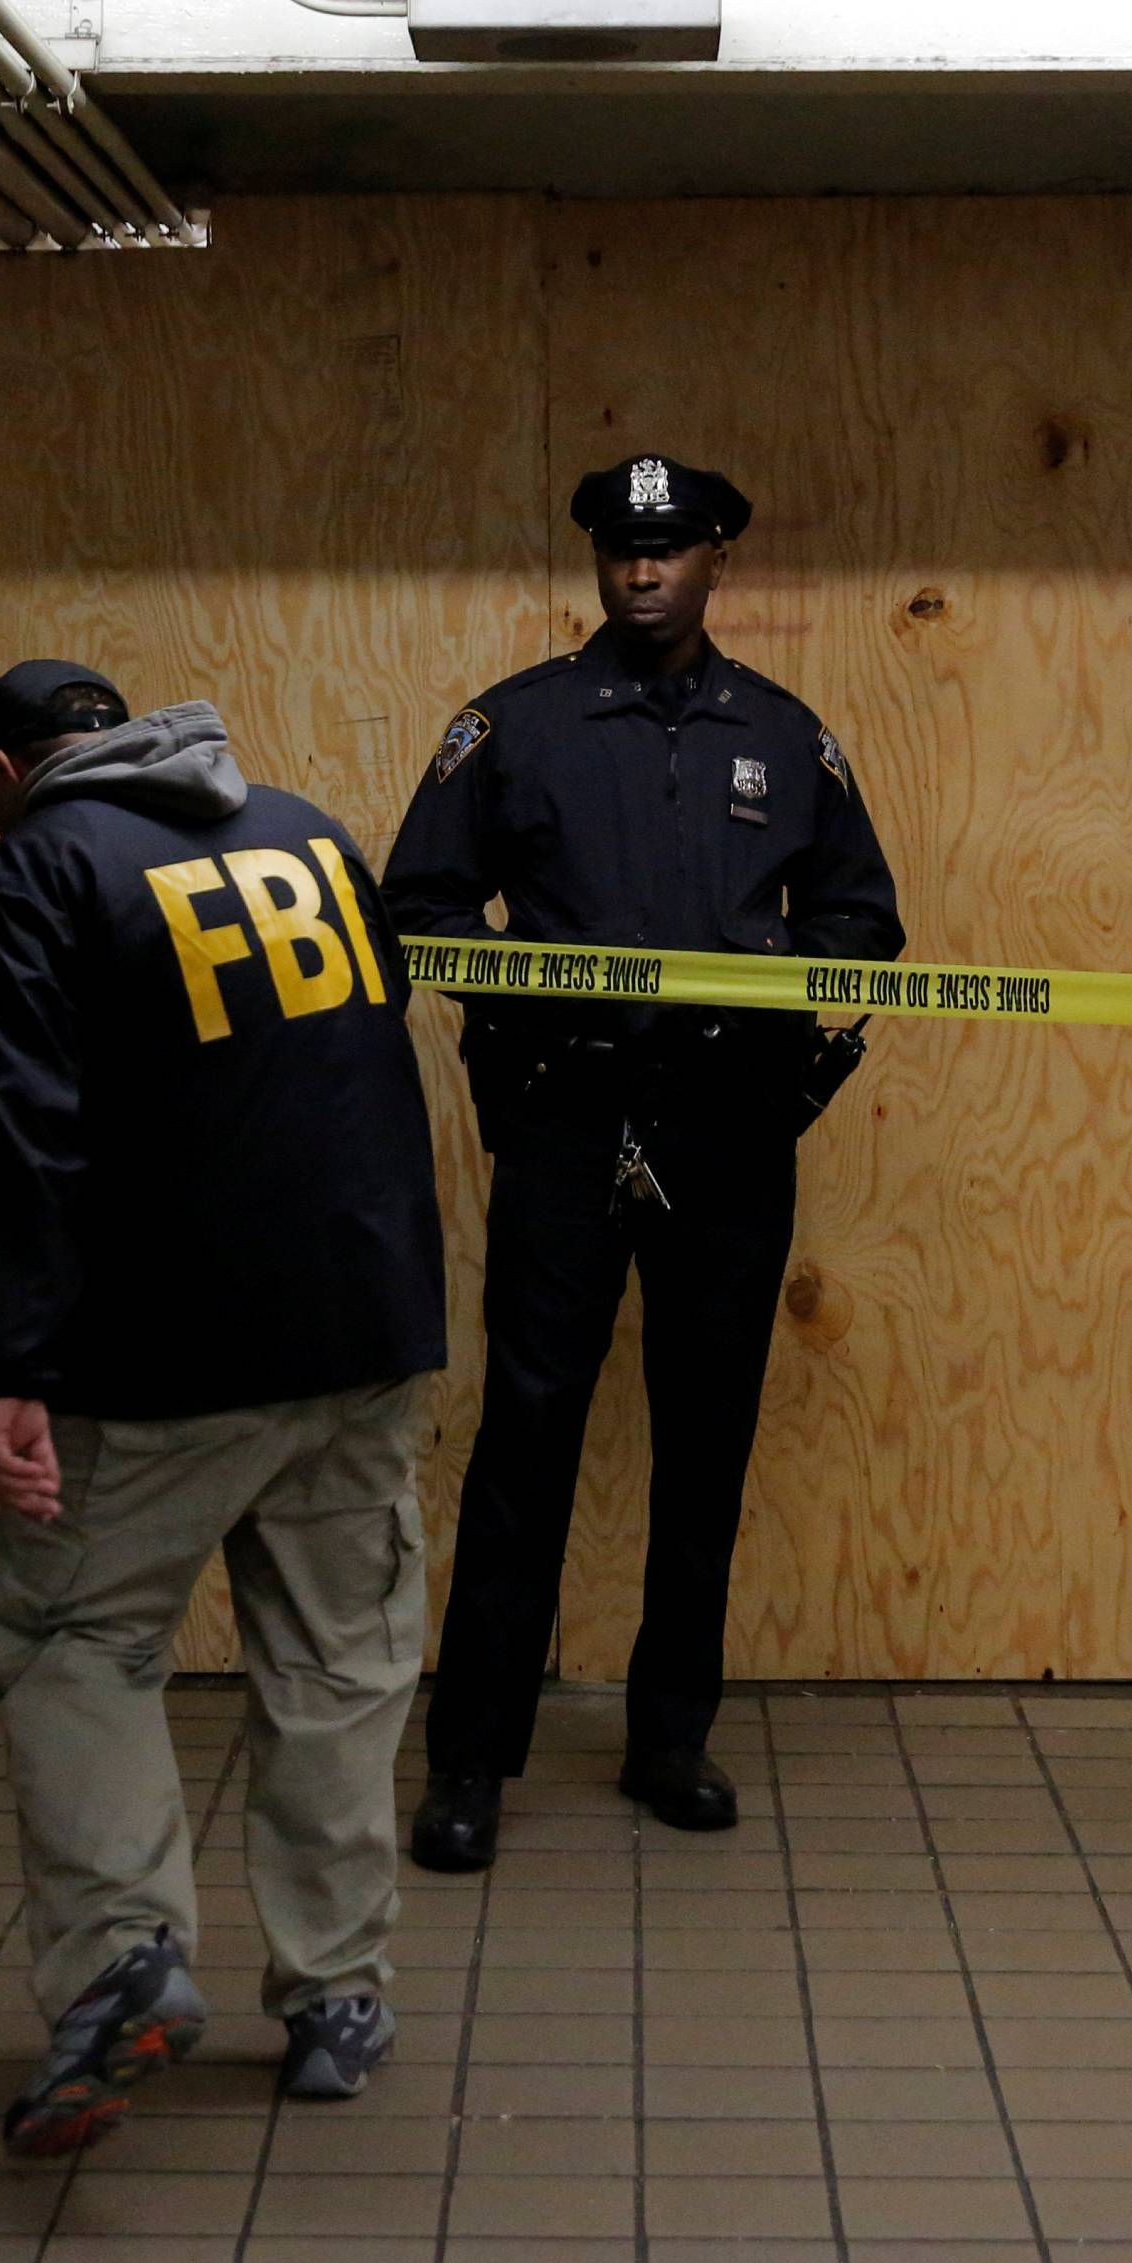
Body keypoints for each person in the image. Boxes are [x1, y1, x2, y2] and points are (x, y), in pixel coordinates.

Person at [0, 658, 445, 2156]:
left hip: (166, 1359)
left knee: (70, 1632)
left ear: (14, 773)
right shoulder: (311, 832)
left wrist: (1, 1364)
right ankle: (339, 1995)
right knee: (340, 1661)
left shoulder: (31, 877)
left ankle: (120, 1966)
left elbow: (8, 1139)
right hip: (364, 1330)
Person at [384, 454, 903, 1870]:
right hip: (565, 1112)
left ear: (718, 559)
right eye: (621, 549)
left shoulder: (785, 736)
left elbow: (866, 924)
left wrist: (767, 997)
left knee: (707, 1431)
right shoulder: (520, 728)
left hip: (726, 1122)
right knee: (525, 1436)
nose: (642, 571)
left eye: (669, 549)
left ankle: (672, 1738)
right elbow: (418, 904)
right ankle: (471, 1761)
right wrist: (527, 993)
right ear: (598, 563)